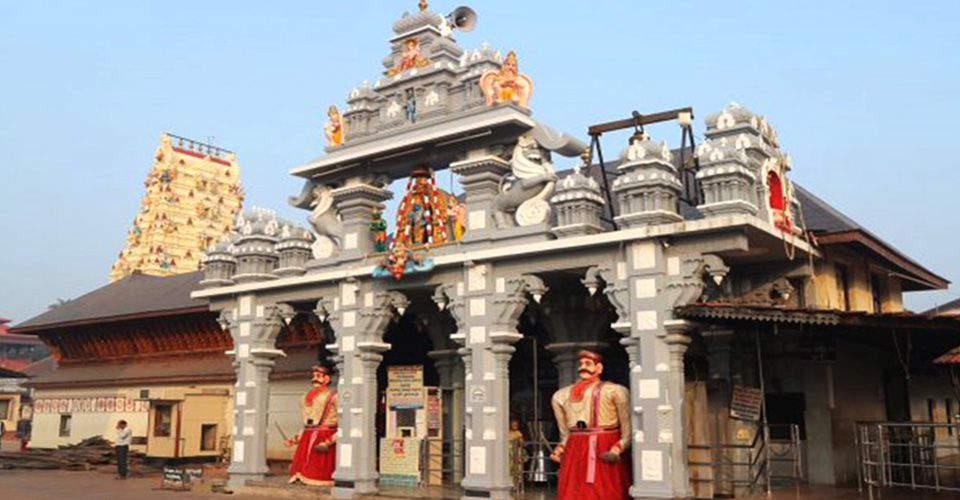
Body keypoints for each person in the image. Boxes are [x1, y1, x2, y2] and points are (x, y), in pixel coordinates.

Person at [550, 350, 631, 500]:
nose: (583, 367)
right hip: (575, 448)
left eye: (588, 363)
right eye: (580, 364)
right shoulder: (560, 396)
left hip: (604, 444)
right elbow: (565, 432)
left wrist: (617, 448)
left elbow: (628, 429)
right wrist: (561, 447)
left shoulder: (614, 391)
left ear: (599, 368)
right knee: (573, 490)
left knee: (605, 490)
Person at [285, 365, 338, 486]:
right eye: (314, 376)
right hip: (307, 436)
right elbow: (306, 425)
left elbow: (345, 423)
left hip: (325, 435)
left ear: (326, 379)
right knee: (300, 466)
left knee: (320, 468)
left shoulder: (333, 396)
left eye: (318, 376)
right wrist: (294, 439)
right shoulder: (304, 398)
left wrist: (329, 440)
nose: (315, 379)